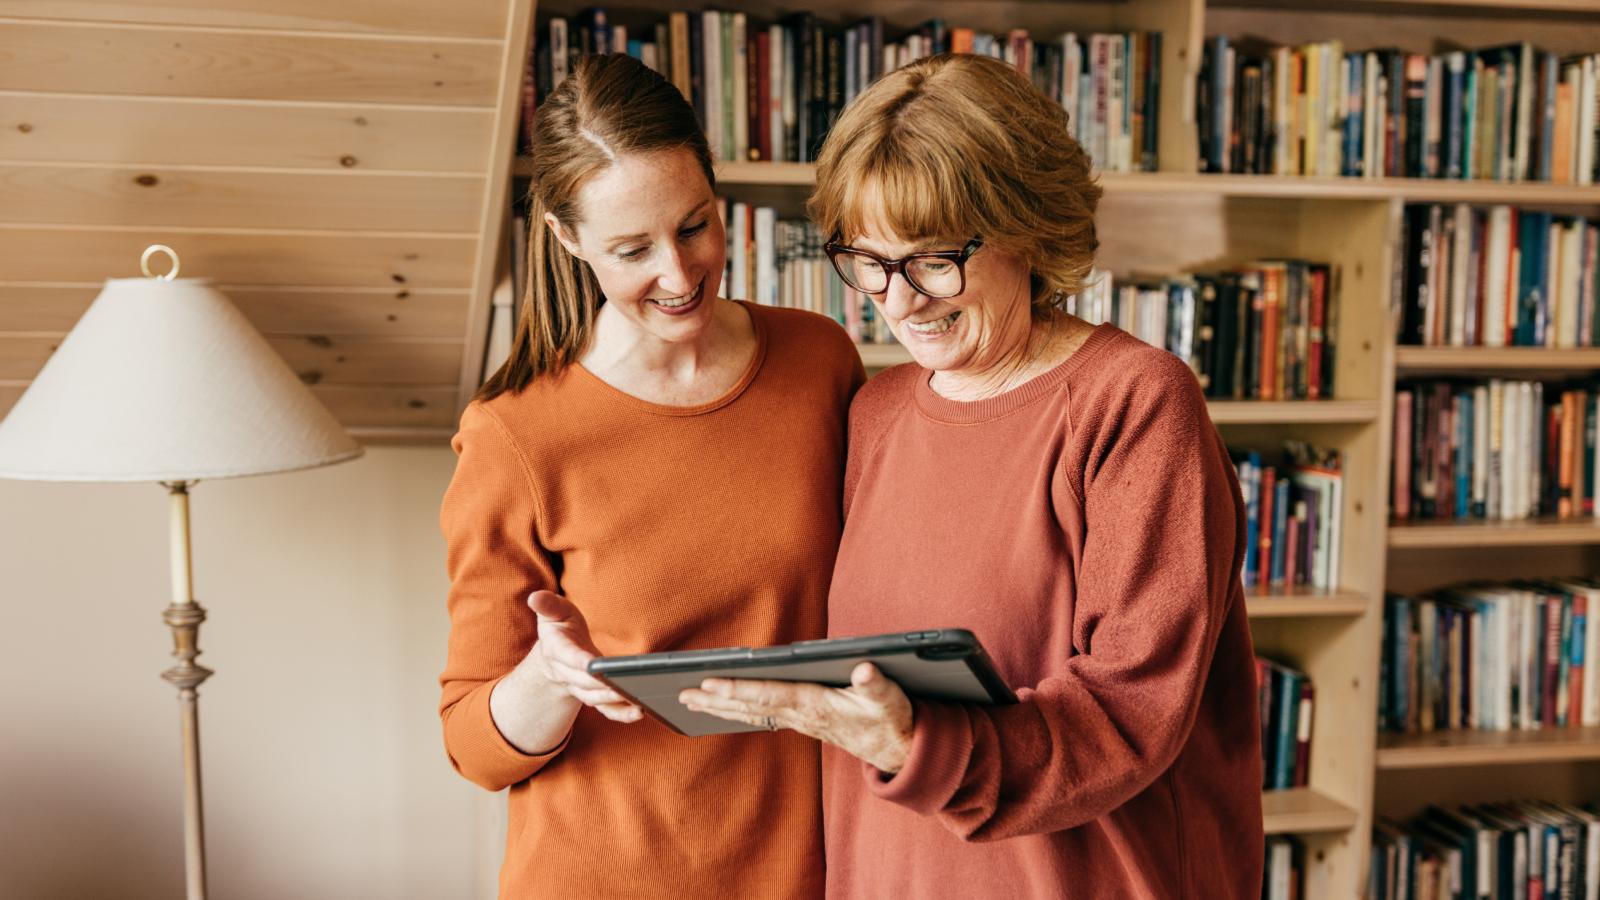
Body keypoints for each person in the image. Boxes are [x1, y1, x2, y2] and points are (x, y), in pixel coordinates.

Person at [680, 53, 1264, 898]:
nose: (898, 301)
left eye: (931, 260)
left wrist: (920, 747)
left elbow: (1131, 708)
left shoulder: (1134, 402)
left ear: (1027, 228)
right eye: (869, 261)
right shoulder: (875, 413)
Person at [437, 53, 864, 898]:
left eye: (694, 226)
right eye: (632, 249)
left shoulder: (818, 360)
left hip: (802, 870)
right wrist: (550, 677)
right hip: (598, 876)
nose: (679, 274)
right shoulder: (514, 433)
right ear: (567, 238)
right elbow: (473, 749)